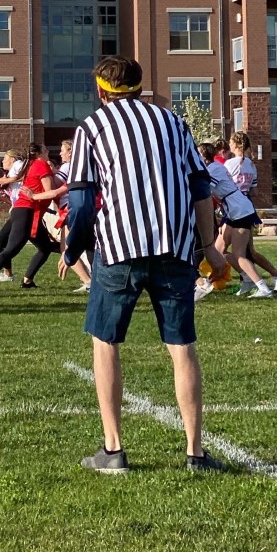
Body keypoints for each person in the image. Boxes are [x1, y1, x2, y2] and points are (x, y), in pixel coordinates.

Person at [61, 56, 227, 473]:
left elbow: (80, 200)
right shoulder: (172, 122)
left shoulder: (92, 128)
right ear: (140, 87)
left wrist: (73, 247)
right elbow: (200, 187)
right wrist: (209, 245)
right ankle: (195, 452)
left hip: (119, 249)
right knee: (182, 347)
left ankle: (113, 448)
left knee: (106, 343)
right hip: (175, 248)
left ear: (100, 91)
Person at [196, 142, 274, 299]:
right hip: (234, 210)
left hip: (239, 210)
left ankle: (263, 287)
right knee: (219, 252)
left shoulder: (212, 170)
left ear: (204, 157)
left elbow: (201, 188)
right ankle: (246, 279)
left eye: (198, 156)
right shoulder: (214, 167)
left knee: (239, 255)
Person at [0, 142, 58, 292]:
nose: (48, 151)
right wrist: (66, 188)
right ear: (39, 153)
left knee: (45, 247)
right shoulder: (41, 165)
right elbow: (50, 191)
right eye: (45, 149)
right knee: (12, 248)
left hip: (22, 210)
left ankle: (27, 281)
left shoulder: (32, 164)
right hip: (26, 210)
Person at [20, 138, 92, 292]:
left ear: (71, 152)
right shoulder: (82, 166)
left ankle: (88, 282)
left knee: (66, 248)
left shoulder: (67, 167)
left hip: (69, 209)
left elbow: (53, 188)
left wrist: (34, 194)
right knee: (85, 246)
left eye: (63, 150)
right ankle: (90, 281)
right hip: (84, 208)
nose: (59, 153)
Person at [221, 132, 277, 295]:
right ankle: (259, 278)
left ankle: (264, 279)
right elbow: (254, 191)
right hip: (246, 207)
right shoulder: (251, 164)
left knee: (240, 252)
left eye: (230, 142)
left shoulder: (229, 164)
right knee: (242, 251)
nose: (229, 145)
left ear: (235, 145)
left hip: (235, 209)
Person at [0, 149, 26, 283]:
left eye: (5, 158)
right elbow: (14, 200)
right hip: (18, 209)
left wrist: (7, 180)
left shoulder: (18, 165)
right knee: (2, 239)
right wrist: (3, 198)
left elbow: (28, 175)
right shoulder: (12, 172)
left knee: (44, 246)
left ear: (13, 159)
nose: (3, 161)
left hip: (25, 211)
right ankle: (8, 274)